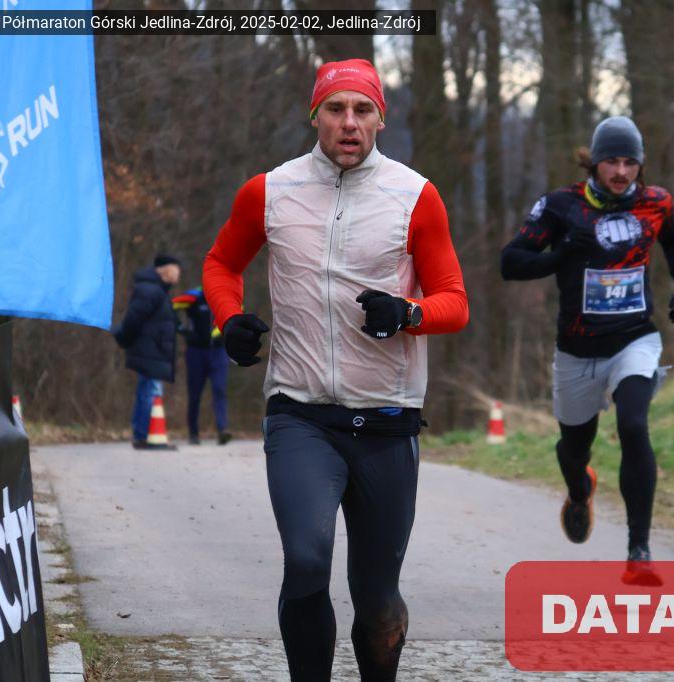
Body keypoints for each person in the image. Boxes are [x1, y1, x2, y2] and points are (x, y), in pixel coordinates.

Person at [202, 59, 468, 681]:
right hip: (301, 417)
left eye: (362, 110)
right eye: (336, 109)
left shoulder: (415, 196)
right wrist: (228, 319)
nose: (350, 123)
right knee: (305, 562)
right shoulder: (269, 192)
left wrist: (408, 313)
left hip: (386, 422)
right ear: (314, 116)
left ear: (381, 119)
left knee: (377, 599)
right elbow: (221, 263)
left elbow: (454, 303)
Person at [500, 116, 674, 586]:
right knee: (574, 449)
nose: (621, 171)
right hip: (577, 350)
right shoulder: (562, 206)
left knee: (633, 424)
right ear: (594, 162)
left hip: (635, 339)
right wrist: (561, 254)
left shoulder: (656, 203)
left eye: (631, 162)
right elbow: (511, 262)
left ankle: (639, 552)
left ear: (641, 165)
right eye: (612, 161)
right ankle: (579, 487)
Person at [112, 254, 181, 450]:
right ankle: (145, 436)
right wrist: (124, 337)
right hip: (149, 352)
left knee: (147, 391)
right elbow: (134, 318)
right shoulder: (151, 290)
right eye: (177, 269)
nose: (179, 274)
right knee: (151, 392)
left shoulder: (159, 291)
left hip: (154, 352)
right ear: (166, 270)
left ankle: (144, 435)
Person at [172, 288, 232, 445]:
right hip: (196, 352)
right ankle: (193, 432)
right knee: (195, 393)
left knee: (219, 389)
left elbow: (238, 314)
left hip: (219, 351)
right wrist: (182, 329)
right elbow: (171, 307)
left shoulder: (226, 296)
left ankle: (223, 430)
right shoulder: (194, 297)